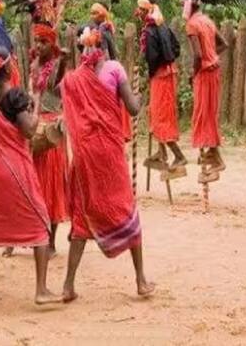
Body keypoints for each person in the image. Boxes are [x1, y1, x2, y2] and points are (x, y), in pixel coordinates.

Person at [60, 27, 154, 301]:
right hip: (110, 153)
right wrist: (141, 97)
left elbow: (58, 90)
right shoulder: (114, 68)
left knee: (83, 214)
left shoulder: (75, 78)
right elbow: (133, 108)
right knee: (125, 207)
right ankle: (140, 280)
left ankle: (68, 285)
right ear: (104, 47)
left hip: (85, 154)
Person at [0, 46, 61, 306]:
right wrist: (35, 104)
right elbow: (28, 131)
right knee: (41, 222)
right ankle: (41, 290)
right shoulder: (15, 96)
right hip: (15, 168)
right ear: (9, 68)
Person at [28, 23, 68, 256]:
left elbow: (57, 80)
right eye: (37, 42)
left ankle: (51, 241)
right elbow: (33, 93)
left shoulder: (55, 66)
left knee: (52, 185)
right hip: (36, 125)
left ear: (51, 45)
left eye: (43, 42)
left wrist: (62, 61)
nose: (39, 46)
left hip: (52, 128)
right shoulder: (34, 65)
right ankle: (34, 234)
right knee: (35, 183)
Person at [183, 0, 228, 183]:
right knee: (208, 113)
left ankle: (216, 158)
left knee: (202, 115)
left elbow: (198, 55)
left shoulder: (192, 24)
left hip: (204, 74)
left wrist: (194, 73)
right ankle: (213, 154)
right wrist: (213, 56)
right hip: (214, 72)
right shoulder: (207, 20)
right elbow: (224, 44)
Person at [136, 0, 185, 172]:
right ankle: (161, 152)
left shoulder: (150, 30)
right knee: (155, 112)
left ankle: (179, 156)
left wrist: (149, 71)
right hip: (168, 73)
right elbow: (176, 48)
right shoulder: (163, 26)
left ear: (146, 11)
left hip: (161, 76)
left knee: (161, 116)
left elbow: (152, 57)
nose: (139, 12)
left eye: (141, 9)